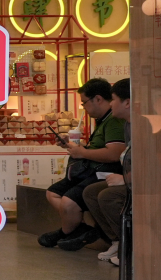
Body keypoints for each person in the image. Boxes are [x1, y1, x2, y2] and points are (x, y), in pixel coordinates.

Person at [41, 78, 127, 250]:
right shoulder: (103, 121)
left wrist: (83, 153)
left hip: (102, 173)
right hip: (91, 170)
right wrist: (78, 148)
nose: (84, 107)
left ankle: (72, 233)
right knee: (53, 193)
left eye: (84, 102)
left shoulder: (114, 121)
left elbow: (114, 154)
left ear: (98, 99)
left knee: (71, 200)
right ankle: (78, 230)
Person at [80, 78, 131, 262]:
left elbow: (148, 162)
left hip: (138, 181)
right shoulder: (127, 125)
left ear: (127, 102)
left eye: (114, 99)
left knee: (107, 196)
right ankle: (117, 241)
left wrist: (126, 179)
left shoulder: (136, 126)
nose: (111, 103)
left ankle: (129, 247)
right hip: (126, 176)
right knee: (91, 192)